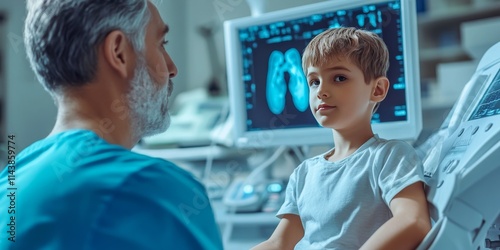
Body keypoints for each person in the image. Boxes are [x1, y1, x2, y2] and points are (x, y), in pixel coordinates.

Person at [0, 0, 223, 249]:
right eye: (162, 44)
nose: (172, 68)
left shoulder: (11, 180)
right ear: (118, 52)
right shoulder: (150, 188)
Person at [252, 27, 431, 250]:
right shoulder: (304, 174)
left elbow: (413, 221)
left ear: (377, 89)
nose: (321, 91)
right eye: (314, 81)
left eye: (339, 78)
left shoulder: (389, 157)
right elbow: (279, 243)